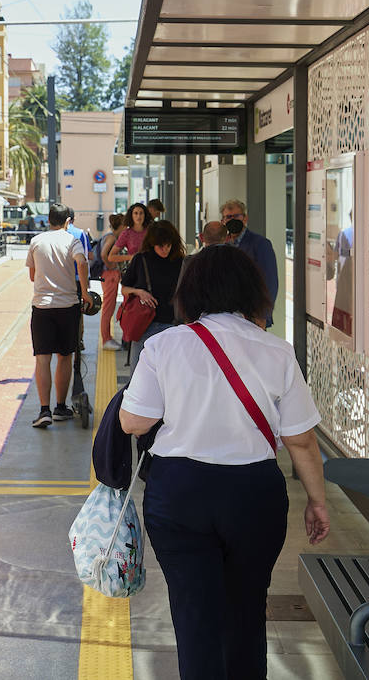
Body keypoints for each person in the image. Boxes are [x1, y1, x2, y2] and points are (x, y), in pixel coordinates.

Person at [119, 245, 331, 679]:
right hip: (253, 494)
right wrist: (318, 501)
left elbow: (133, 423)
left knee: (194, 613)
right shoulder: (277, 352)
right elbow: (302, 441)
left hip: (179, 493)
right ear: (252, 291)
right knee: (247, 607)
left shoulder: (164, 346)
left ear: (190, 292)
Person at [25, 202, 95, 428]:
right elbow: (82, 263)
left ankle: (44, 410)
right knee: (64, 356)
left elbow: (32, 276)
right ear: (67, 222)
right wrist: (85, 292)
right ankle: (60, 407)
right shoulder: (72, 240)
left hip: (42, 307)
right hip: (68, 306)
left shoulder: (36, 241)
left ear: (48, 220)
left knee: (42, 358)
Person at [120, 219, 186, 369]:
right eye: (160, 246)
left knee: (168, 374)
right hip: (144, 325)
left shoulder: (180, 262)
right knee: (138, 375)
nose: (165, 250)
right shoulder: (141, 259)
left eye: (168, 245)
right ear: (152, 243)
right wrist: (139, 292)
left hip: (173, 325)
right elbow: (124, 288)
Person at [222, 199, 279, 328]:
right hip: (227, 317)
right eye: (228, 217)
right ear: (223, 221)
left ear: (245, 218)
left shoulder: (260, 244)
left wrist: (263, 314)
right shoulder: (222, 245)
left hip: (253, 317)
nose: (232, 220)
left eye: (237, 216)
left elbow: (270, 281)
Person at [98, 213, 126, 349]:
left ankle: (107, 338)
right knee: (108, 308)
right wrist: (111, 266)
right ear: (120, 226)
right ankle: (106, 339)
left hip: (108, 275)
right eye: (125, 226)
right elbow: (104, 254)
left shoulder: (108, 236)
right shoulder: (112, 238)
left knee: (108, 307)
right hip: (110, 275)